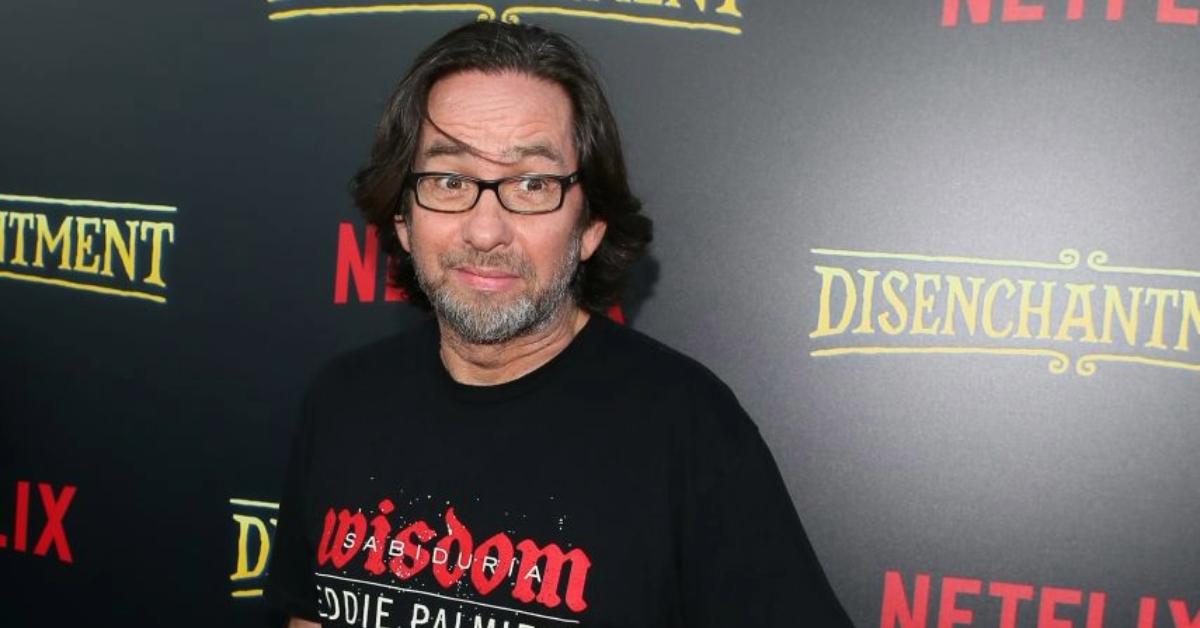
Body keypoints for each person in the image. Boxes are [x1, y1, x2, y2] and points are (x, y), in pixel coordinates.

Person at [266, 20, 853, 628]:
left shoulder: (688, 428)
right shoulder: (342, 400)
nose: (485, 230)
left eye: (532, 184)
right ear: (403, 218)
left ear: (591, 225)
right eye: (448, 180)